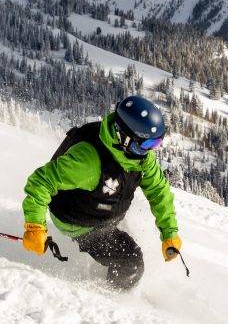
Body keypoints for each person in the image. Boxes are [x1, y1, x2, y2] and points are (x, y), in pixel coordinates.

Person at [20, 95, 180, 290]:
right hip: (78, 220)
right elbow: (41, 182)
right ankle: (111, 300)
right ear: (124, 138)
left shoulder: (140, 158)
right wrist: (35, 226)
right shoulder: (87, 161)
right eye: (146, 145)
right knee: (131, 262)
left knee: (123, 237)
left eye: (155, 145)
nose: (150, 151)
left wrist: (169, 233)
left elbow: (158, 190)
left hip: (101, 207)